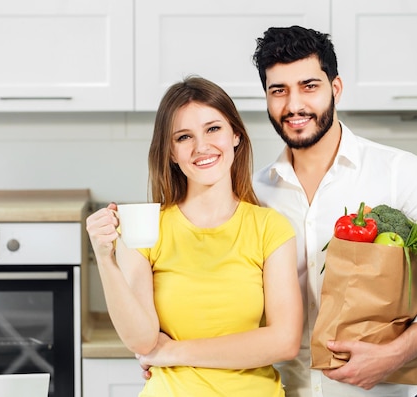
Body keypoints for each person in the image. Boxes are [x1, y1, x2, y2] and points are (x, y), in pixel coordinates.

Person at [250, 26, 417, 397]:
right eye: (279, 90)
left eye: (309, 86)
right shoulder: (255, 192)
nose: (293, 105)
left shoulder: (401, 172)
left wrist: (395, 354)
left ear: (335, 89)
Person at [86, 76, 303, 396]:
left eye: (213, 129)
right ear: (171, 153)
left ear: (236, 136)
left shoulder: (270, 227)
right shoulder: (146, 230)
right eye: (184, 136)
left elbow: (284, 342)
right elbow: (142, 341)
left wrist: (173, 352)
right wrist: (106, 259)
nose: (201, 147)